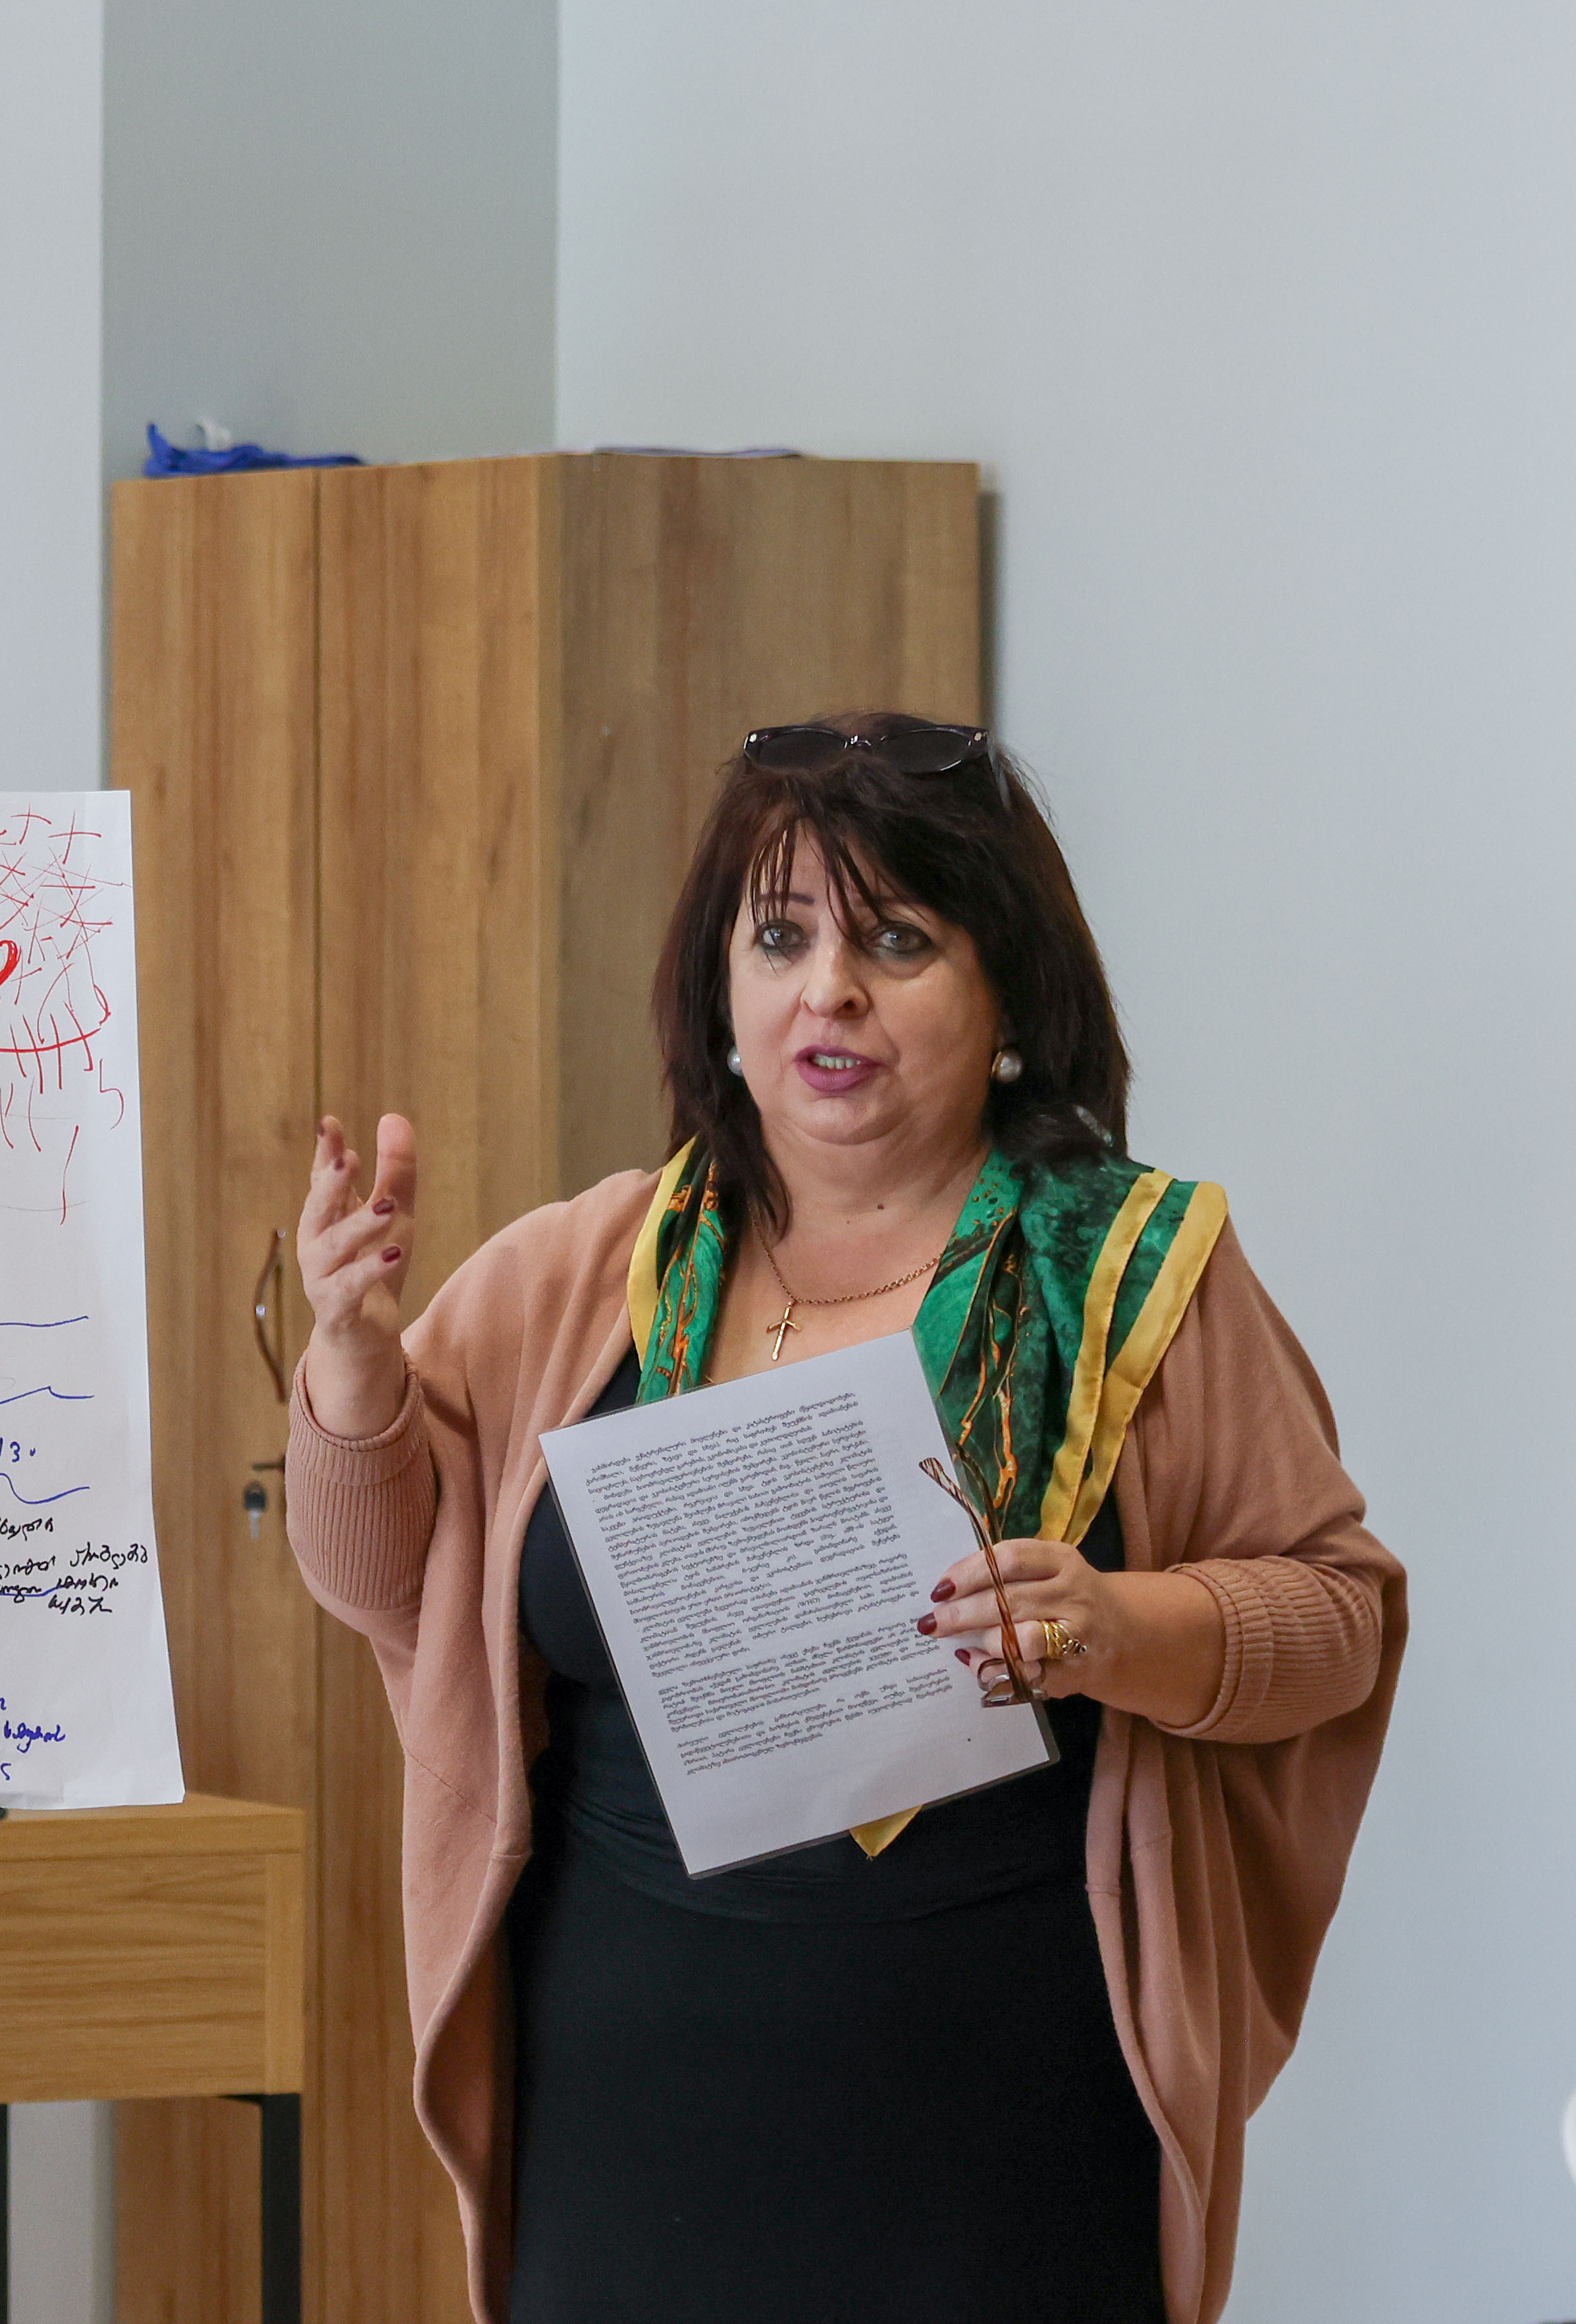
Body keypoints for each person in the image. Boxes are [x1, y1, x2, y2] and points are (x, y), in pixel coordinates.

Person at [284, 714, 1402, 2324]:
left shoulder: (1131, 1273)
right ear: (719, 991)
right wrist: (347, 1363)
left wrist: (1117, 1627)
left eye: (895, 941)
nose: (828, 991)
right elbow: (383, 1582)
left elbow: (1336, 1618)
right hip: (623, 2136)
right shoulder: (582, 1269)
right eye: (780, 937)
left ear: (1007, 997)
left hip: (998, 2144)